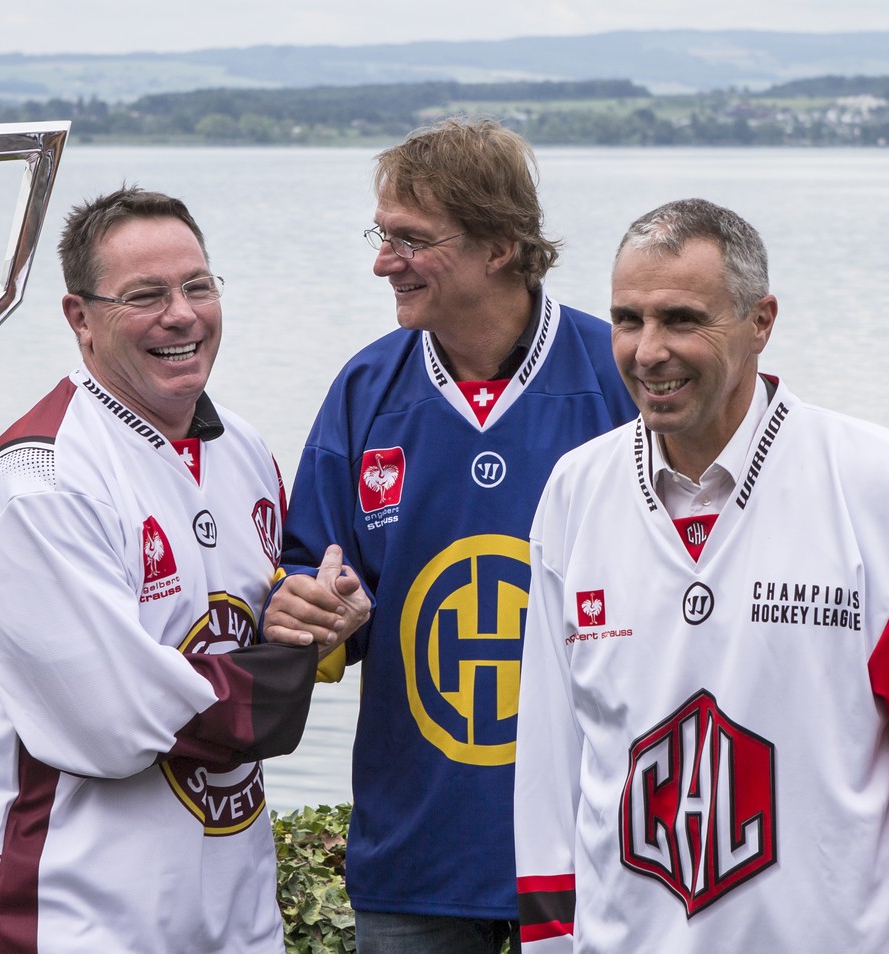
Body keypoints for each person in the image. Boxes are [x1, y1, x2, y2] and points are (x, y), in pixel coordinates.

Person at [514, 198, 889, 952]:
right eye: (628, 320)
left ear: (760, 321)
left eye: (681, 320)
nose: (648, 351)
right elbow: (550, 770)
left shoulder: (885, 483)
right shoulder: (575, 493)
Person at [264, 118, 638, 953]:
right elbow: (308, 586)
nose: (382, 262)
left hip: (598, 850)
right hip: (416, 854)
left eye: (410, 240)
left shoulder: (615, 376)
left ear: (499, 246)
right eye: (381, 235)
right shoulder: (366, 389)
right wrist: (312, 614)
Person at [0, 186, 320, 953]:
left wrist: (315, 615)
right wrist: (289, 670)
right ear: (80, 318)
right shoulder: (40, 482)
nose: (182, 315)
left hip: (235, 912)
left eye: (198, 286)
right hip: (75, 914)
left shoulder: (243, 449)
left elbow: (250, 622)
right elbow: (114, 723)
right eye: (145, 296)